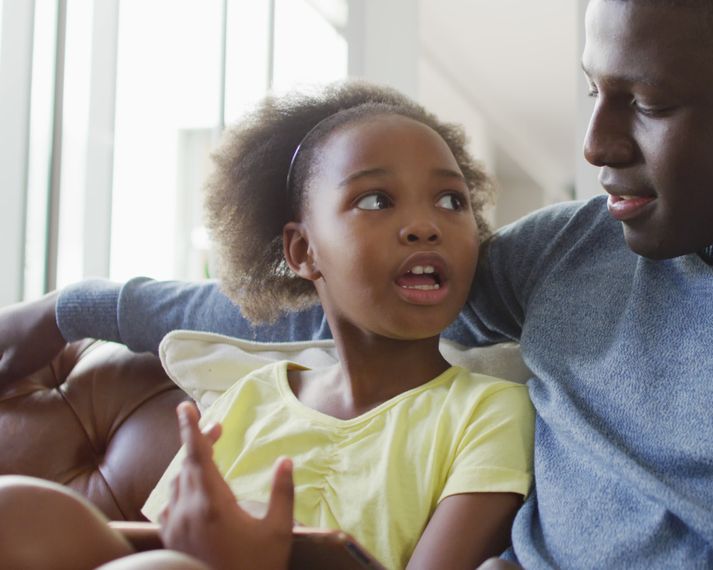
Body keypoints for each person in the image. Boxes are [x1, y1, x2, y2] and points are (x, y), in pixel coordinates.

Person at [1, 0, 713, 567]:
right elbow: (345, 303)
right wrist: (67, 307)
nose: (597, 141)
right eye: (591, 92)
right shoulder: (579, 249)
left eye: (644, 102)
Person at [0, 81, 534, 570]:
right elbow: (157, 543)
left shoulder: (488, 411)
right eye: (376, 200)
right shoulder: (252, 397)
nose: (425, 225)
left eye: (451, 200)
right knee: (22, 511)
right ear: (303, 250)